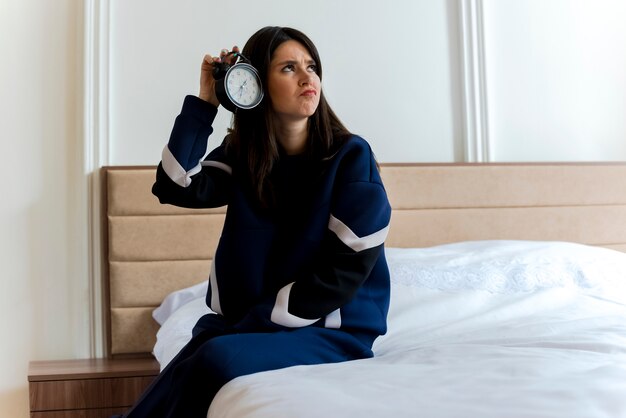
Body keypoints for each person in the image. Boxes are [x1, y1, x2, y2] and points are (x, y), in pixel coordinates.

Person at [116, 26, 391, 418]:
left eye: (311, 66)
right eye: (289, 68)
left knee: (216, 357)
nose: (307, 77)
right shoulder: (245, 154)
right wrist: (205, 100)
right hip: (259, 323)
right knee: (200, 349)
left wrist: (255, 321)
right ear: (258, 83)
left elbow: (345, 272)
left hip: (332, 329)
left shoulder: (350, 156)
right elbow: (175, 185)